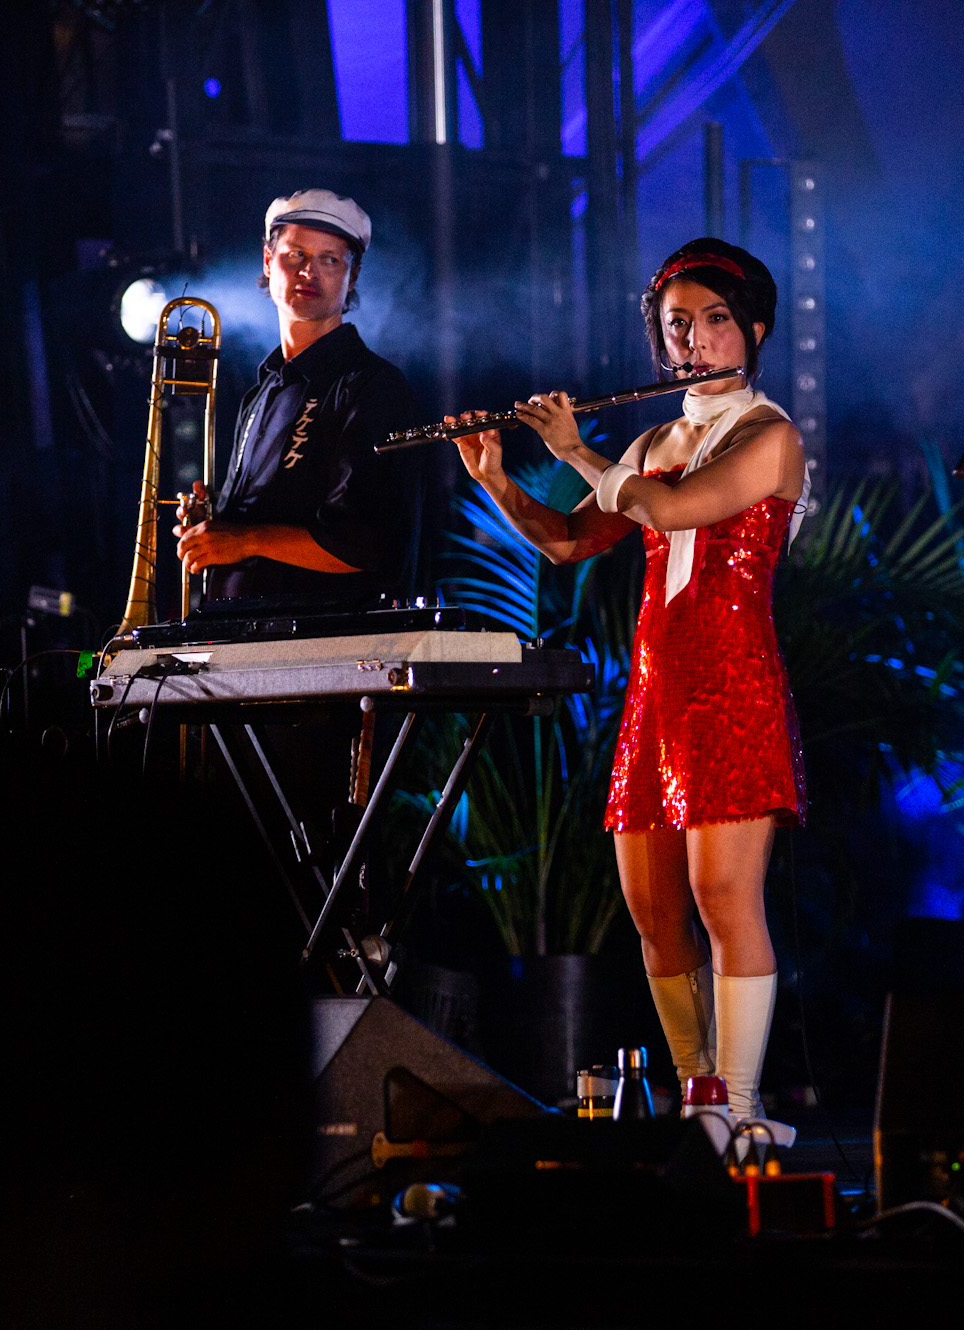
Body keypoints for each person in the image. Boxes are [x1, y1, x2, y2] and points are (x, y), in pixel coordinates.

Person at [448, 238, 808, 1125]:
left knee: (724, 897)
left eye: (715, 320)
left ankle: (741, 1105)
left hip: (732, 683)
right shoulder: (652, 440)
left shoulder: (771, 436)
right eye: (677, 324)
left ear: (755, 329)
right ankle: (698, 1097)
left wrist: (578, 453)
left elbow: (673, 507)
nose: (694, 339)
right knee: (651, 910)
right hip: (657, 694)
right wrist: (496, 478)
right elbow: (569, 541)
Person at [174, 189, 421, 603]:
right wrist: (216, 523)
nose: (309, 271)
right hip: (241, 633)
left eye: (330, 260)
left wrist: (245, 540)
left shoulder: (374, 386)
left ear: (352, 277)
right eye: (296, 255)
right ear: (268, 261)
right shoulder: (262, 391)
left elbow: (368, 542)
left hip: (332, 639)